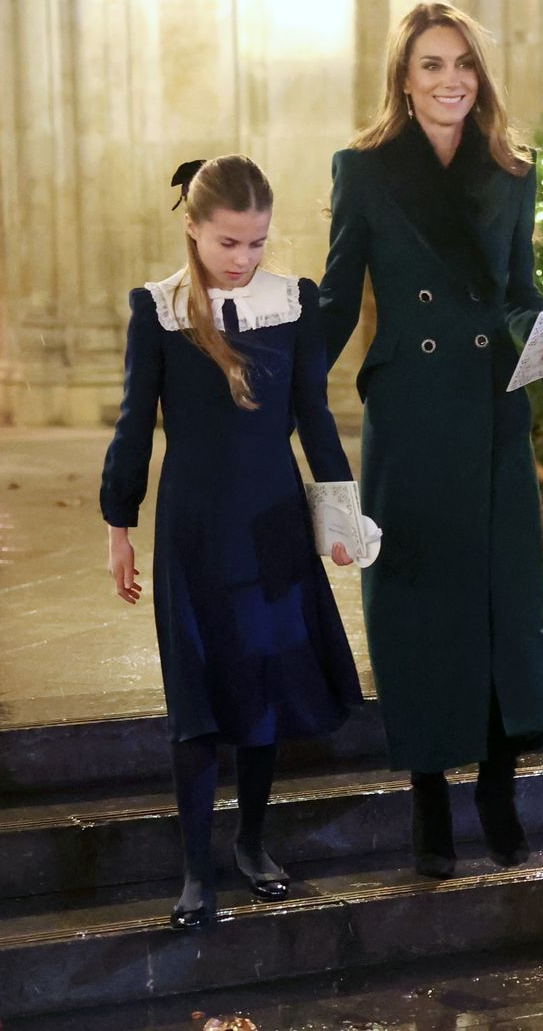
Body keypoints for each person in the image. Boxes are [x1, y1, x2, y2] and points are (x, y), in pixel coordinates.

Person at [319, 2, 543, 879]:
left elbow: (514, 294)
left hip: (490, 413)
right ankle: (430, 795)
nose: (451, 81)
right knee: (416, 601)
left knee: (504, 598)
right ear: (404, 76)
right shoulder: (363, 171)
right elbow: (336, 297)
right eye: (432, 65)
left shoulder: (512, 169)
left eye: (464, 64)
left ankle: (497, 788)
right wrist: (265, 366)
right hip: (409, 413)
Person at [102, 155, 368, 930]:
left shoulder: (293, 303)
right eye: (227, 242)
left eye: (255, 243)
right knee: (197, 694)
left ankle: (251, 844)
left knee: (263, 686)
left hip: (274, 522)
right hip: (192, 525)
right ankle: (194, 872)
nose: (242, 258)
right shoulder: (160, 310)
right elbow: (131, 425)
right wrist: (118, 526)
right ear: (192, 226)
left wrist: (341, 522)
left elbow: (315, 418)